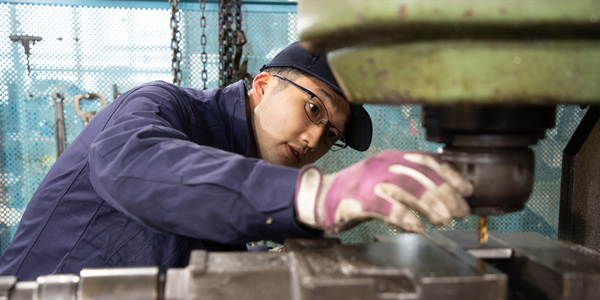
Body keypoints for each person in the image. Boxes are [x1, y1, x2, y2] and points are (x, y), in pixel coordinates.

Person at [0, 42, 472, 281]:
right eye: (313, 109)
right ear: (263, 86)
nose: (314, 139)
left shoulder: (243, 169)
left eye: (331, 135)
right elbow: (137, 168)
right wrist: (317, 195)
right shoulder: (161, 105)